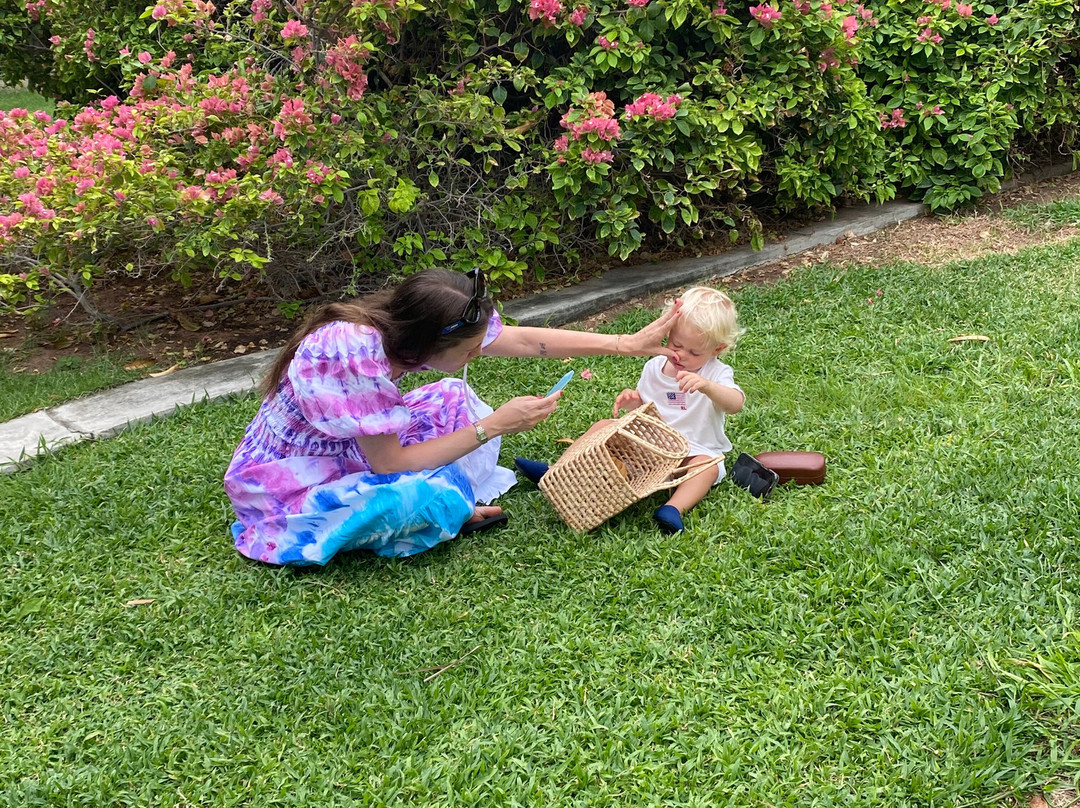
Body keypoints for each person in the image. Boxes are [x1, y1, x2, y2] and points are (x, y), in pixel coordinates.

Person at [224, 267, 681, 565]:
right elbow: (389, 464)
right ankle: (450, 505)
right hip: (293, 476)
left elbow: (520, 340)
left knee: (452, 397)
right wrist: (495, 426)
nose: (480, 353)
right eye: (470, 350)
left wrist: (625, 343)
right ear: (429, 344)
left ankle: (455, 493)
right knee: (423, 497)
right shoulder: (351, 355)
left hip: (358, 443)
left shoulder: (415, 325)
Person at [514, 286, 744, 534]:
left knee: (707, 467)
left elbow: (735, 404)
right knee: (604, 426)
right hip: (648, 446)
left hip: (693, 448)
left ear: (717, 350)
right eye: (675, 343)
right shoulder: (655, 367)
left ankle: (673, 508)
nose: (680, 354)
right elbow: (646, 411)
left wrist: (708, 387)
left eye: (694, 352)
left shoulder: (715, 373)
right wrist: (634, 401)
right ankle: (556, 472)